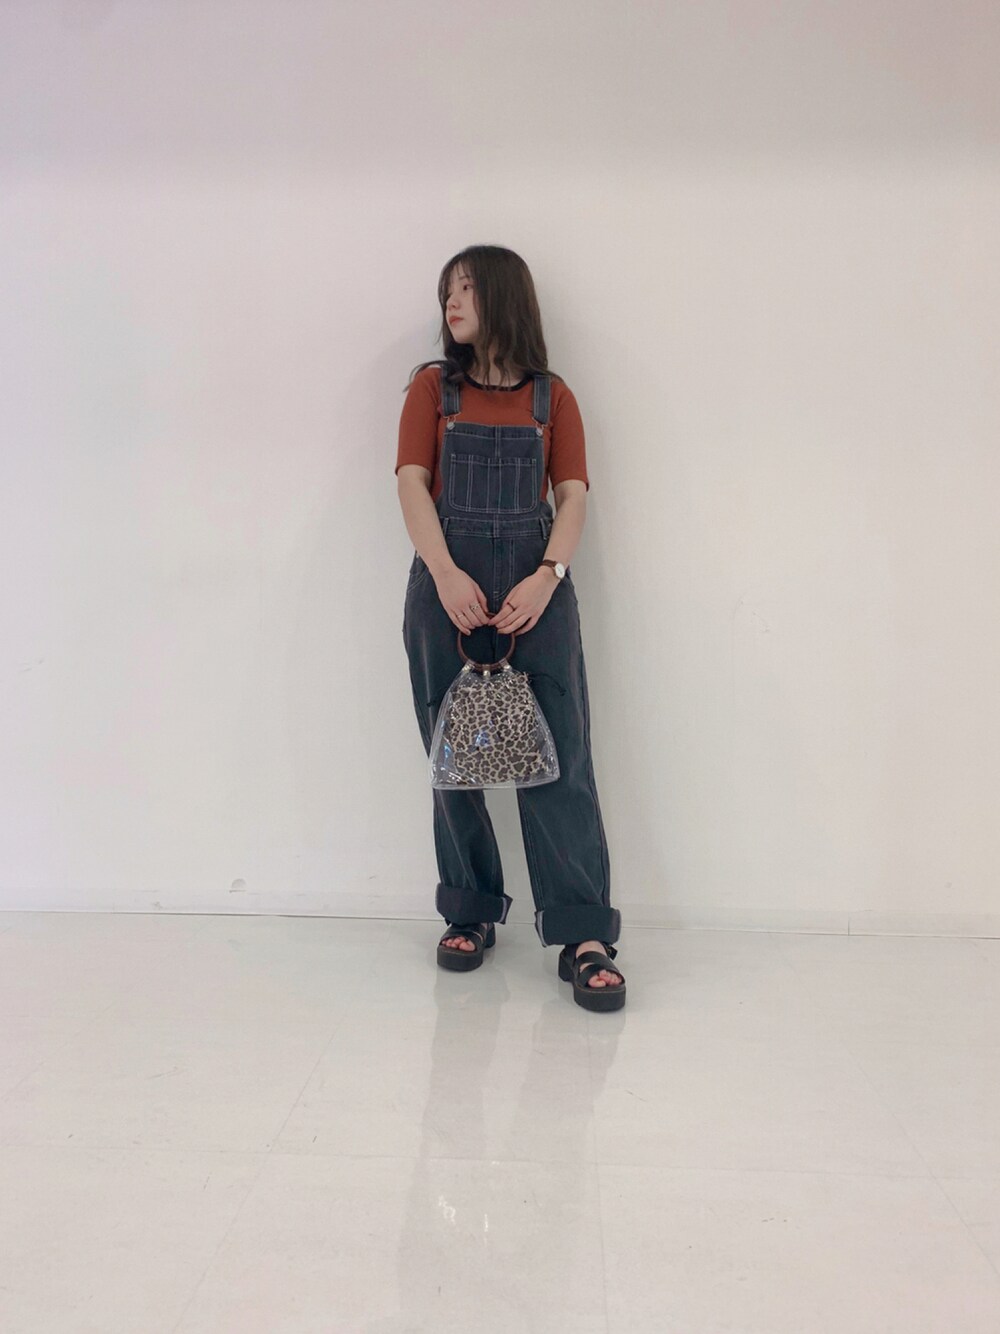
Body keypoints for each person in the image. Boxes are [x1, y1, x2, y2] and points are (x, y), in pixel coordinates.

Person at [395, 245, 626, 1012]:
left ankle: (583, 934)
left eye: (466, 288)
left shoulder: (553, 399)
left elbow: (573, 497)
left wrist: (547, 575)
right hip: (446, 593)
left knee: (561, 758)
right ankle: (469, 910)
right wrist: (444, 573)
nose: (452, 302)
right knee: (452, 755)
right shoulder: (432, 390)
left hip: (538, 597)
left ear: (504, 296)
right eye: (446, 292)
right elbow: (411, 484)